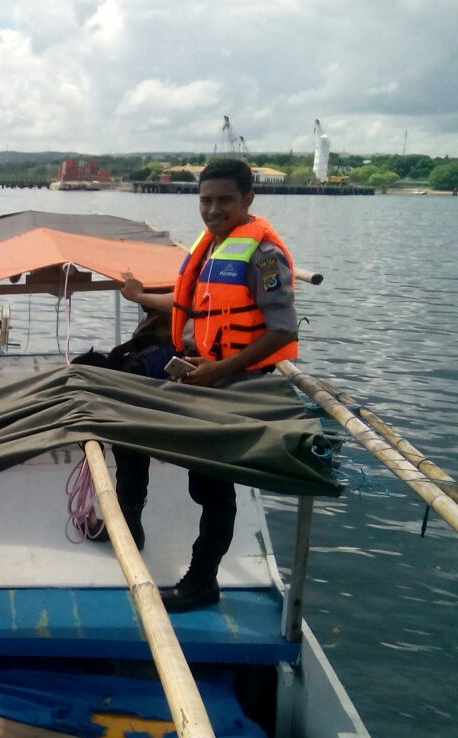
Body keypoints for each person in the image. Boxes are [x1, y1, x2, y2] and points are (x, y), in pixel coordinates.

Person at [115, 157, 299, 612]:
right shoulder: (213, 245)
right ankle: (129, 517)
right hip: (200, 374)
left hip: (235, 384)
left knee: (212, 486)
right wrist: (139, 296)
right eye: (206, 200)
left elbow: (283, 331)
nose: (213, 210)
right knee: (126, 420)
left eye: (224, 201)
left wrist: (219, 371)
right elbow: (186, 305)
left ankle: (201, 582)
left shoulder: (264, 256)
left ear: (248, 200)